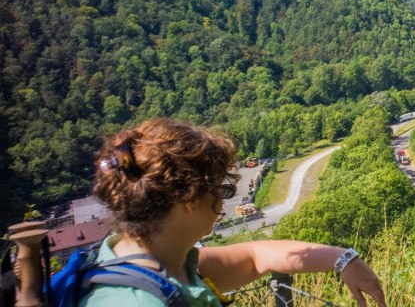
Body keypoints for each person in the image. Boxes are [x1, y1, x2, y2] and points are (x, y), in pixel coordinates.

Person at [80, 118, 387, 307]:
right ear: (189, 199)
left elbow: (256, 256)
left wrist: (343, 259)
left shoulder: (167, 262)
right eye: (220, 190)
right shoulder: (135, 301)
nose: (224, 201)